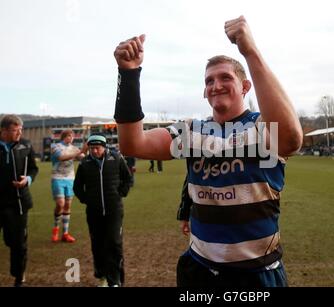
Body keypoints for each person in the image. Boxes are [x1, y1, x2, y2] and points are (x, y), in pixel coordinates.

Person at [113, 16, 302, 287]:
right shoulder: (192, 132)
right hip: (200, 272)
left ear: (244, 86)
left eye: (226, 77)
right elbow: (133, 144)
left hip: (256, 274)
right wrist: (128, 73)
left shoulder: (261, 127)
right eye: (209, 80)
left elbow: (291, 139)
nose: (216, 85)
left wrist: (250, 51)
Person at [73, 134, 132, 287]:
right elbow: (77, 187)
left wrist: (120, 193)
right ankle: (102, 277)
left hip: (114, 210)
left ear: (104, 147)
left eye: (97, 148)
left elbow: (128, 178)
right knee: (97, 245)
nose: (94, 151)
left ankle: (116, 280)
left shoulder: (116, 159)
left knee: (114, 243)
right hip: (94, 212)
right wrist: (88, 200)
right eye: (91, 148)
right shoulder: (84, 163)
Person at [0, 115, 39, 287]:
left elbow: (33, 168)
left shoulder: (26, 145)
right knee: (10, 240)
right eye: (16, 130)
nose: (19, 133)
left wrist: (27, 180)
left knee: (18, 243)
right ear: (4, 131)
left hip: (19, 202)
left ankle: (18, 276)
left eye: (21, 130)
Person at [50, 129, 86, 243]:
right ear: (63, 137)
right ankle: (56, 229)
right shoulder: (55, 147)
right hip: (58, 178)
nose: (70, 138)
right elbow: (62, 157)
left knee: (68, 205)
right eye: (68, 136)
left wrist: (88, 150)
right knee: (60, 204)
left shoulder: (74, 148)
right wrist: (80, 151)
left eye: (72, 136)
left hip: (70, 179)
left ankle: (65, 233)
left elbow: (84, 158)